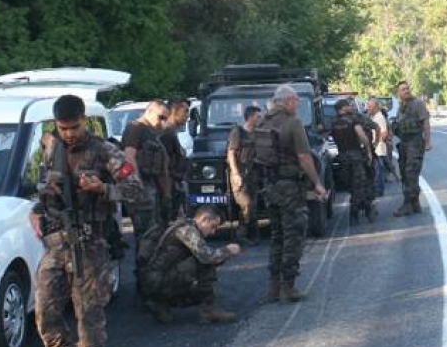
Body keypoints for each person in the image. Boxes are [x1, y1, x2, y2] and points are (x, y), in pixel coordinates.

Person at [28, 94, 142, 347]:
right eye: (63, 128)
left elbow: (137, 190)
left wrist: (103, 188)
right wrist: (36, 210)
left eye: (74, 127)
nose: (69, 134)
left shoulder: (105, 152)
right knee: (46, 314)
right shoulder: (51, 149)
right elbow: (44, 190)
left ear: (85, 121)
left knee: (89, 316)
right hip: (56, 244)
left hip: (90, 245)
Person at [259, 84, 327, 302]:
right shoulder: (292, 123)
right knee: (294, 236)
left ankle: (273, 288)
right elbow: (304, 157)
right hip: (290, 188)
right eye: (296, 101)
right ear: (287, 101)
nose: (297, 105)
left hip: (270, 187)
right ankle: (289, 287)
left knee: (276, 236)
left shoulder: (262, 121)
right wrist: (317, 183)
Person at [137, 207, 241, 323]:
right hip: (158, 282)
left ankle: (160, 303)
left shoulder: (185, 226)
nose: (213, 232)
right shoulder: (187, 230)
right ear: (204, 219)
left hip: (155, 282)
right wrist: (227, 250)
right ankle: (208, 310)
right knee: (203, 263)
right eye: (213, 226)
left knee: (202, 261)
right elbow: (206, 257)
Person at [122, 100, 170, 248]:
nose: (162, 122)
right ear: (149, 112)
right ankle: (144, 268)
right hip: (142, 189)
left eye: (165, 119)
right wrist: (137, 184)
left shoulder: (151, 132)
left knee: (154, 233)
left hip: (151, 186)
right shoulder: (136, 128)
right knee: (146, 235)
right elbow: (129, 156)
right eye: (160, 117)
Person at [331, 98, 374, 223]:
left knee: (350, 184)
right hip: (355, 156)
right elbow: (362, 137)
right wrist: (368, 150)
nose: (351, 107)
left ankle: (362, 209)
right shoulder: (353, 120)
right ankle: (357, 212)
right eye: (348, 105)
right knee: (360, 184)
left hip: (342, 157)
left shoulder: (333, 122)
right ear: (343, 108)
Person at [392, 81, 431, 217]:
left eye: (407, 88)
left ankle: (408, 204)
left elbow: (425, 122)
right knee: (404, 173)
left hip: (415, 143)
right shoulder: (401, 106)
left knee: (411, 173)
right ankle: (415, 204)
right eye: (403, 89)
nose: (406, 91)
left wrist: (427, 141)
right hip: (404, 143)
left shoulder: (417, 103)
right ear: (399, 93)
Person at [227, 106, 261, 244]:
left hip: (253, 175)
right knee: (246, 204)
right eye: (258, 116)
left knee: (253, 205)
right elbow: (231, 153)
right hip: (240, 174)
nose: (260, 119)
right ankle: (242, 235)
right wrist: (235, 174)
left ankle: (251, 235)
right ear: (251, 117)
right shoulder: (238, 132)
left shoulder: (258, 133)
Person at [161, 97, 191, 221]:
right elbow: (164, 165)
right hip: (170, 185)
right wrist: (167, 193)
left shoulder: (172, 132)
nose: (187, 116)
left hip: (175, 185)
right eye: (185, 111)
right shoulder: (167, 133)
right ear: (174, 111)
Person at [367, 97, 389, 197]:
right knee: (376, 172)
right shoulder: (374, 117)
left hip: (378, 150)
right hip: (376, 150)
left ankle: (379, 192)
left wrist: (375, 144)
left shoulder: (379, 117)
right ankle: (378, 191)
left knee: (378, 172)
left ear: (375, 107)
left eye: (370, 107)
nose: (368, 108)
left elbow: (384, 133)